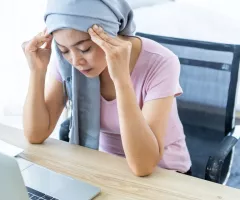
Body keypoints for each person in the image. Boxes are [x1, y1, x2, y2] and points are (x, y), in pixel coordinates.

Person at [22, 0, 191, 177]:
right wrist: (37, 71)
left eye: (85, 49)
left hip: (165, 174)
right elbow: (35, 134)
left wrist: (122, 81)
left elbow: (144, 166)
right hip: (105, 167)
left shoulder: (161, 62)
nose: (76, 61)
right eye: (64, 50)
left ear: (109, 35)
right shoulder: (68, 62)